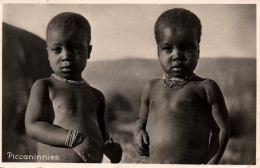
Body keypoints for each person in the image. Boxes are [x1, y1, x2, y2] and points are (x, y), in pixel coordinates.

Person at [133, 8, 230, 164]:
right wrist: (138, 132)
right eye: (168, 49)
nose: (177, 55)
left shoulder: (205, 87)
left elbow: (222, 130)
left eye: (187, 48)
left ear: (198, 51)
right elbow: (141, 119)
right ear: (158, 52)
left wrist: (212, 163)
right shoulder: (151, 87)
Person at [25, 12, 122, 163]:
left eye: (75, 49)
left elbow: (101, 132)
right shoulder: (45, 86)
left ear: (88, 52)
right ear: (48, 53)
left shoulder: (96, 96)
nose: (65, 56)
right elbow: (33, 126)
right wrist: (74, 139)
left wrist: (109, 145)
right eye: (57, 49)